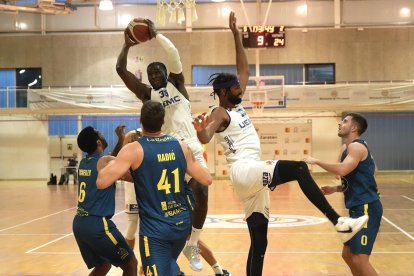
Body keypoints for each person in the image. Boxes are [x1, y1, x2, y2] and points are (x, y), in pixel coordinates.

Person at [192, 11, 369, 276]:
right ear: (224, 92)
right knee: (299, 169)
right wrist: (200, 132)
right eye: (237, 88)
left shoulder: (237, 105)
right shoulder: (220, 112)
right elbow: (207, 136)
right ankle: (339, 222)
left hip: (250, 178)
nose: (242, 88)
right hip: (243, 169)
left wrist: (236, 35)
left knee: (260, 241)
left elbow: (244, 69)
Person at [116, 18, 209, 271]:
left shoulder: (178, 85)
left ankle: (194, 244)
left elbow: (174, 53)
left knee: (202, 190)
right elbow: (121, 71)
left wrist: (156, 35)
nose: (155, 75)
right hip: (168, 147)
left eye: (158, 72)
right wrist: (126, 47)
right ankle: (165, 253)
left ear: (167, 74)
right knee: (173, 203)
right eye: (151, 74)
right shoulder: (147, 94)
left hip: (190, 145)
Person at [96, 100, 213, 276]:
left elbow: (102, 182)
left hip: (155, 232)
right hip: (181, 225)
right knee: (169, 267)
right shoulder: (180, 146)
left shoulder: (134, 149)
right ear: (163, 121)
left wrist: (105, 165)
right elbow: (207, 179)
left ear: (140, 120)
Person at [113, 124, 231, 276]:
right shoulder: (135, 142)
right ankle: (141, 265)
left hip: (161, 199)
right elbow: (119, 162)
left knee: (184, 236)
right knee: (136, 229)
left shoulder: (166, 144)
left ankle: (217, 269)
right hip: (142, 195)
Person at [304, 113, 382, 276]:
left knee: (360, 259)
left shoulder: (356, 147)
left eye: (345, 121)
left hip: (366, 207)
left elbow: (342, 170)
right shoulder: (348, 148)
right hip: (357, 207)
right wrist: (336, 188)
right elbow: (369, 173)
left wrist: (316, 161)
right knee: (347, 255)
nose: (340, 123)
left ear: (354, 128)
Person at [72, 126, 138, 276]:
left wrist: (121, 139)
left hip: (80, 223)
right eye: (100, 134)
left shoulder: (84, 163)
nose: (103, 135)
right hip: (97, 225)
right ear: (98, 142)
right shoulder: (104, 161)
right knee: (131, 264)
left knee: (103, 266)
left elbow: (108, 160)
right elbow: (129, 173)